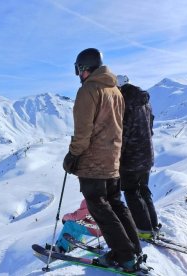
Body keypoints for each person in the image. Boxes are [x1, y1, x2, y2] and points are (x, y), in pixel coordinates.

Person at [62, 48, 144, 272]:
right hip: (113, 158)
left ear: (83, 68)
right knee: (115, 203)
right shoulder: (114, 90)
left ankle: (124, 256)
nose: (78, 75)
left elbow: (83, 131)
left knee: (99, 206)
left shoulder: (89, 90)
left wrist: (73, 155)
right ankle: (134, 249)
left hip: (93, 161)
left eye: (78, 70)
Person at [117, 75, 160, 240]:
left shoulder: (126, 103)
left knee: (131, 192)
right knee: (143, 189)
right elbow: (150, 125)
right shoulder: (144, 101)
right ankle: (153, 225)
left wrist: (118, 155)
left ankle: (144, 230)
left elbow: (124, 133)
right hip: (147, 153)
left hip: (131, 157)